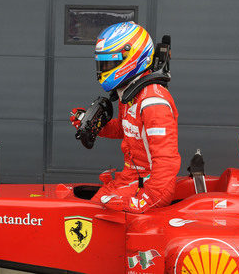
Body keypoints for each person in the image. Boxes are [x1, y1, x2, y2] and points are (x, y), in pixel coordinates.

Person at [70, 22, 181, 213]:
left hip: (149, 186)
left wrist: (149, 198)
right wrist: (97, 126)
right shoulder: (130, 93)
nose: (104, 69)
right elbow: (125, 128)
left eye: (109, 63)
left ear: (133, 58)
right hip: (130, 177)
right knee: (85, 210)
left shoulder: (154, 102)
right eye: (102, 63)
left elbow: (167, 161)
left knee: (91, 216)